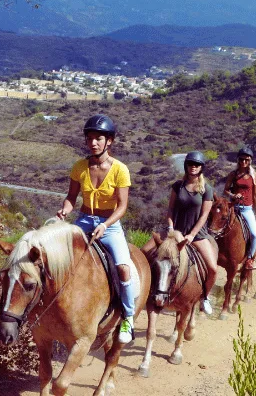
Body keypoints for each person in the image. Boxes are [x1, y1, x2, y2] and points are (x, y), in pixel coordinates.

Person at [57, 114, 137, 344]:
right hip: (84, 220)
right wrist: (65, 210)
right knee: (58, 258)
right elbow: (71, 197)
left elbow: (122, 207)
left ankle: (128, 317)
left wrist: (105, 224)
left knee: (123, 268)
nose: (93, 143)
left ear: (109, 141)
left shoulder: (120, 169)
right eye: (90, 138)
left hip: (109, 225)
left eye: (98, 138)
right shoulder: (79, 167)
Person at [144, 151, 219, 315]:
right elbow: (170, 209)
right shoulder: (178, 186)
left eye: (197, 165)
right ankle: (149, 290)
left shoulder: (206, 189)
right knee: (144, 252)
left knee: (213, 268)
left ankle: (205, 297)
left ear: (201, 167)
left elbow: (204, 215)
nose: (193, 167)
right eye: (191, 164)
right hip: (174, 231)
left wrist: (191, 234)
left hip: (196, 235)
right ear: (186, 166)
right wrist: (170, 227)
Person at [224, 147, 256, 271]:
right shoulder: (233, 174)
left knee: (254, 234)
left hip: (247, 209)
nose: (244, 162)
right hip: (234, 207)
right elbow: (226, 190)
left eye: (246, 160)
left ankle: (250, 259)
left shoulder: (254, 176)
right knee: (217, 226)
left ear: (250, 161)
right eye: (241, 159)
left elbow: (255, 196)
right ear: (238, 160)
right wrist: (233, 195)